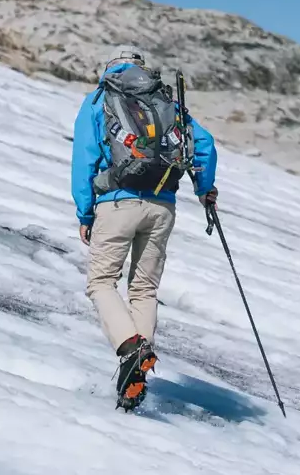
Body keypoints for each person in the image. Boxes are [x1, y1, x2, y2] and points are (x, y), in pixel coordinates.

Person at [70, 45, 218, 410]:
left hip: (117, 202)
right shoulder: (165, 100)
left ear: (109, 68)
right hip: (162, 205)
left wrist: (85, 214)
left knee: (102, 282)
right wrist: (204, 189)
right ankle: (135, 370)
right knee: (145, 289)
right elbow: (204, 144)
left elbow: (85, 159)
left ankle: (131, 348)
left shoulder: (99, 99)